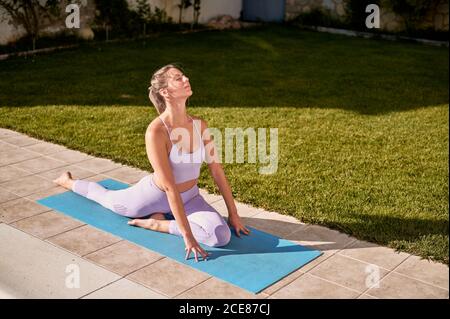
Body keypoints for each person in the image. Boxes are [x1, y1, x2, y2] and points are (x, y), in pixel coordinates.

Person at [53, 64, 250, 262]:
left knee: (220, 237)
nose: (186, 79)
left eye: (184, 76)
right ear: (165, 91)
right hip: (154, 196)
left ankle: (160, 223)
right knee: (108, 199)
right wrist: (188, 236)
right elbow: (169, 186)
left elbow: (216, 170)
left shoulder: (200, 125)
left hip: (190, 198)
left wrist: (233, 214)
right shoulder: (156, 131)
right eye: (178, 78)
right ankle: (68, 181)